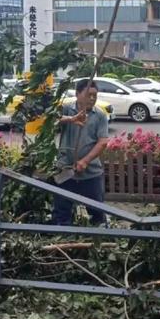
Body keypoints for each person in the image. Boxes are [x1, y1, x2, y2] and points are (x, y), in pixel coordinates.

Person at [52, 79, 109, 226]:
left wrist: (85, 161)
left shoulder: (100, 115)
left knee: (97, 214)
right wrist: (71, 119)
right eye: (88, 94)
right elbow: (48, 120)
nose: (92, 98)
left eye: (94, 95)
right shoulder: (66, 109)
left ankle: (96, 242)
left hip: (91, 172)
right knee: (61, 213)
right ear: (77, 94)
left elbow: (102, 142)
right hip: (65, 169)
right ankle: (63, 239)